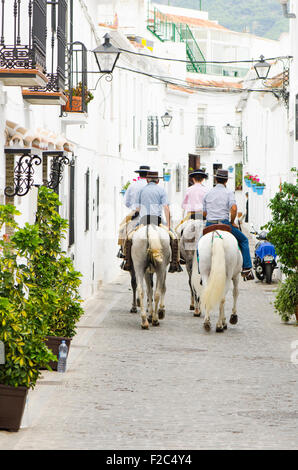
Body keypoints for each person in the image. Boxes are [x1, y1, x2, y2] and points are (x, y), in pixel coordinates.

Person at [121, 170, 182, 273]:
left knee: (128, 237)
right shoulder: (161, 190)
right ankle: (174, 263)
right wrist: (168, 225)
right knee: (174, 237)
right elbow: (166, 208)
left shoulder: (141, 190)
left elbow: (137, 208)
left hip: (143, 221)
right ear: (157, 181)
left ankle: (127, 261)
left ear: (147, 180)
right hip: (157, 220)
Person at [203, 169, 254, 281]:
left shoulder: (208, 193)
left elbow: (204, 213)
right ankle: (246, 269)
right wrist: (231, 222)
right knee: (244, 240)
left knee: (199, 245)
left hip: (209, 225)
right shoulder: (229, 192)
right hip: (224, 224)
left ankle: (201, 270)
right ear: (226, 180)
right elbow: (234, 208)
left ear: (216, 179)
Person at [117, 165, 150, 258]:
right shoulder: (152, 186)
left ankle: (122, 251)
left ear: (139, 174)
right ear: (148, 174)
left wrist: (133, 206)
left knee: (122, 228)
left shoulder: (133, 185)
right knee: (168, 231)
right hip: (151, 214)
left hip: (136, 213)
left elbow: (126, 202)